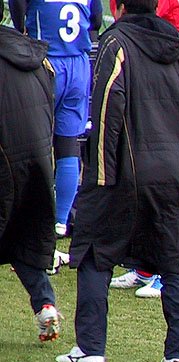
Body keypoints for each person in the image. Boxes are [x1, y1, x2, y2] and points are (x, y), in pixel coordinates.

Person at [56, 0, 179, 362]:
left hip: (122, 175)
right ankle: (177, 356)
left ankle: (90, 348)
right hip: (176, 177)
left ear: (120, 8)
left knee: (94, 256)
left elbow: (107, 109)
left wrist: (100, 174)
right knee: (177, 263)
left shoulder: (116, 45)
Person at [104, 0, 179, 299]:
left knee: (161, 187)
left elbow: (153, 19)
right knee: (140, 183)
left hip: (160, 57)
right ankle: (145, 268)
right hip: (140, 52)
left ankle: (166, 273)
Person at [9, 0, 104, 237]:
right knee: (68, 144)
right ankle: (60, 220)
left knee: (34, 142)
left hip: (45, 61)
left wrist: (23, 28)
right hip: (78, 64)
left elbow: (17, 7)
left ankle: (28, 214)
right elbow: (96, 19)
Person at [0, 7, 65, 342]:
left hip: (5, 160)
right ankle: (45, 304)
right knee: (23, 235)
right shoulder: (31, 54)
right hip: (38, 157)